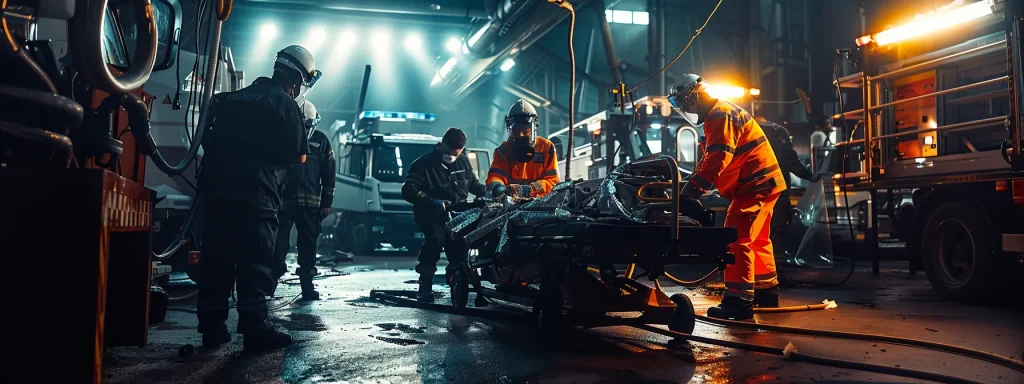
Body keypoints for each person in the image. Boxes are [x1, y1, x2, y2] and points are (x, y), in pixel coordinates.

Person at [196, 45, 317, 351]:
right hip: (255, 196)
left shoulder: (229, 99)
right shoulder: (284, 103)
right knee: (254, 262)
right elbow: (300, 156)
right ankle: (255, 329)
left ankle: (212, 328)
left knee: (216, 260)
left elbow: (206, 140)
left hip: (216, 193)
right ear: (296, 81)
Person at [669, 74, 787, 320]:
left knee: (736, 238)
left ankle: (738, 302)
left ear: (696, 97)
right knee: (757, 240)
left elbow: (718, 157)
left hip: (753, 184)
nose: (687, 110)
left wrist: (692, 191)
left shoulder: (719, 115)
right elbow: (714, 157)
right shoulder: (722, 113)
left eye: (686, 104)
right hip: (765, 183)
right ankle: (766, 292)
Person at [401, 128, 487, 302]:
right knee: (435, 241)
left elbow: (475, 185)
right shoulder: (423, 164)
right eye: (448, 152)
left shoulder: (463, 163)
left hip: (458, 217)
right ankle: (425, 285)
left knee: (460, 250)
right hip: (431, 216)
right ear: (442, 144)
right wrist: (431, 201)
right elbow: (408, 190)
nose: (450, 156)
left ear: (462, 150)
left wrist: (487, 194)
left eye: (455, 153)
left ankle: (457, 283)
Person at [272, 100, 336, 301]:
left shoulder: (321, 142)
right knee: (277, 245)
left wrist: (326, 203)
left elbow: (329, 174)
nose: (305, 130)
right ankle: (269, 285)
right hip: (284, 204)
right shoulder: (281, 139)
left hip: (311, 206)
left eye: (308, 126)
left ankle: (307, 287)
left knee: (308, 247)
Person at [757, 118, 823, 261]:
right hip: (775, 189)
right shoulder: (777, 131)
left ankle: (757, 261)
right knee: (777, 228)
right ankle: (776, 263)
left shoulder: (744, 130)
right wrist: (810, 176)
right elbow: (789, 160)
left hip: (748, 191)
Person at [485, 99, 560, 198]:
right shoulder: (503, 152)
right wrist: (498, 187)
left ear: (534, 128)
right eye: (517, 131)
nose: (521, 135)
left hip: (541, 205)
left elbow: (553, 181)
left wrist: (529, 189)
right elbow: (495, 177)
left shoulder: (546, 148)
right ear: (509, 130)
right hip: (511, 204)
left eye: (526, 131)